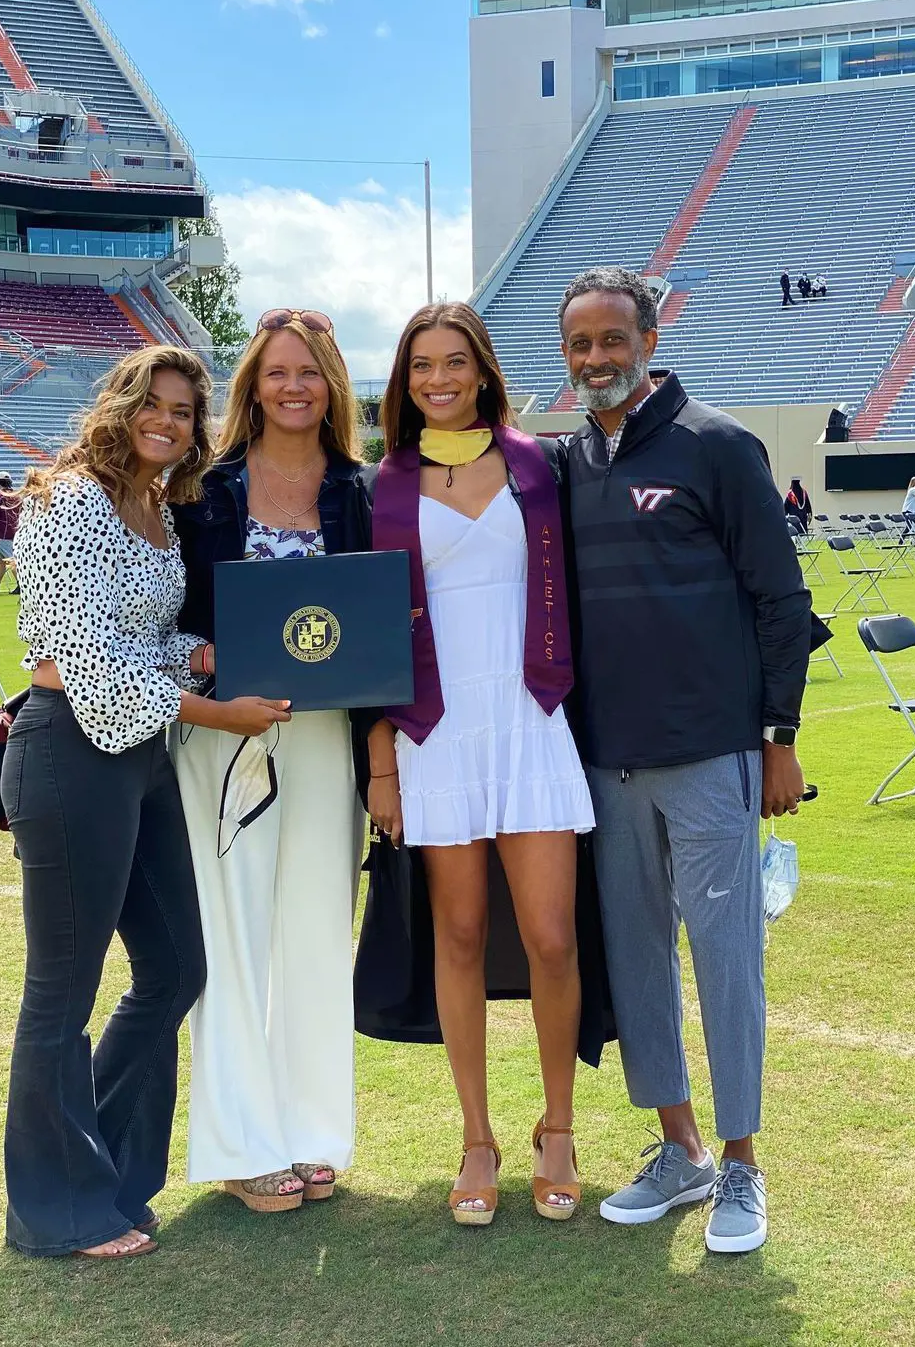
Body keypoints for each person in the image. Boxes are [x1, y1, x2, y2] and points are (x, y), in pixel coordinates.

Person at [1, 345, 280, 1259]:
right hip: (70, 752)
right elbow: (83, 660)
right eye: (154, 403)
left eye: (185, 409)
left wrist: (217, 648)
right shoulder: (70, 500)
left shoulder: (155, 505)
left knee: (174, 971)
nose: (169, 420)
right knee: (61, 995)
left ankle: (112, 1175)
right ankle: (57, 1211)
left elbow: (148, 641)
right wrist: (217, 707)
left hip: (141, 756)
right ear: (120, 404)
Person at [558, 266, 813, 1254]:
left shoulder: (718, 445)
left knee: (727, 966)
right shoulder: (568, 461)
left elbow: (781, 602)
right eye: (579, 343)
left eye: (611, 340)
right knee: (638, 965)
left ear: (649, 341)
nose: (595, 359)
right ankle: (681, 1150)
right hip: (605, 763)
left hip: (711, 755)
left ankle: (744, 1168)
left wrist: (779, 737)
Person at [366, 302, 598, 1227]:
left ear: (483, 368)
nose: (438, 379)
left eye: (454, 361)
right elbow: (369, 636)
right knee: (456, 937)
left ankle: (558, 1129)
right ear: (404, 378)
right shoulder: (382, 485)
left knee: (551, 937)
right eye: (422, 364)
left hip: (530, 715)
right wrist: (381, 759)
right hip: (435, 731)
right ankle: (476, 1138)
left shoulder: (539, 465)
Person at [170, 310, 369, 1213]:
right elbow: (168, 619)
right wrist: (207, 657)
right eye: (278, 372)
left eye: (312, 372)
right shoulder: (201, 491)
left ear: (332, 384)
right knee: (235, 932)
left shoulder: (360, 491)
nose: (295, 387)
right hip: (224, 734)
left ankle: (313, 1130)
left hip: (327, 734)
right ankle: (243, 1142)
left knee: (319, 927)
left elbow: (375, 615)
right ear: (252, 383)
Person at [0, 471, 20, 594]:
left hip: (3, 533)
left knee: (9, 560)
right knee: (2, 560)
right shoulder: (16, 495)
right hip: (15, 531)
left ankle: (21, 584)